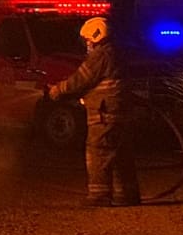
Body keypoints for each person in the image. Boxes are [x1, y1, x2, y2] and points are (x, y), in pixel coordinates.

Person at [44, 16, 141, 207]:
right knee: (120, 152)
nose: (87, 44)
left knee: (99, 151)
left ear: (96, 36)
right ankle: (126, 195)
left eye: (88, 40)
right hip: (119, 110)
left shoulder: (101, 55)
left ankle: (99, 195)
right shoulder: (117, 52)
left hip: (105, 112)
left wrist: (57, 90)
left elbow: (81, 79)